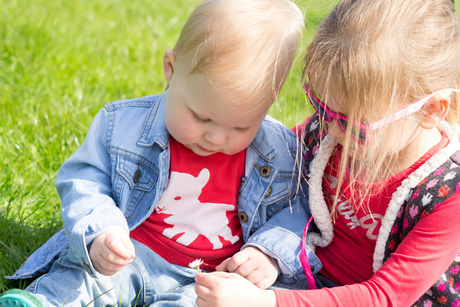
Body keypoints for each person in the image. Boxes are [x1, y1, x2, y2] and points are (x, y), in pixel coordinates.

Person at [0, 0, 313, 306]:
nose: (216, 136)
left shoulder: (279, 151)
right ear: (171, 69)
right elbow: (85, 180)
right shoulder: (121, 125)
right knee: (85, 275)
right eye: (201, 117)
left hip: (209, 278)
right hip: (132, 252)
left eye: (242, 127)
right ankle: (44, 301)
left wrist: (267, 252)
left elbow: (299, 210)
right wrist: (101, 231)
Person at [193, 0, 460, 306]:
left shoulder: (448, 194)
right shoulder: (329, 131)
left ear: (430, 111)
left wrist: (265, 302)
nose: (331, 130)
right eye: (321, 108)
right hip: (301, 278)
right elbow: (262, 167)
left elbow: (386, 297)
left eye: (354, 126)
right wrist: (270, 253)